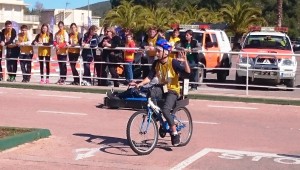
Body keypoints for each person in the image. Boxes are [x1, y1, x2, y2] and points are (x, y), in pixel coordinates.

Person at [132, 39, 191, 146]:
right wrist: (140, 84)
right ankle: (158, 118)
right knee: (151, 92)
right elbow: (150, 77)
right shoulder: (156, 63)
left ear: (166, 52)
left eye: (159, 51)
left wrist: (185, 61)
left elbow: (187, 74)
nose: (157, 53)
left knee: (165, 110)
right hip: (163, 88)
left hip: (173, 90)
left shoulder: (173, 62)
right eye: (156, 51)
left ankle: (174, 133)